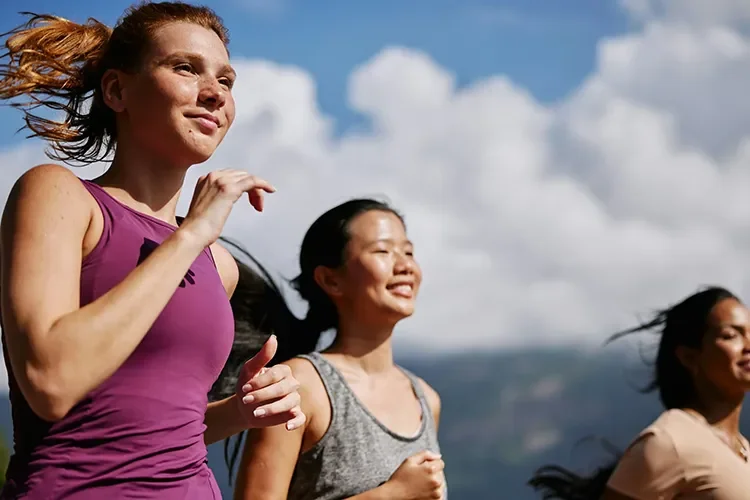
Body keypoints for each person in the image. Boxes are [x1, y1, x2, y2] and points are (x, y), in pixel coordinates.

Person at [0, 3, 304, 498]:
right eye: (185, 68)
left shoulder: (216, 265)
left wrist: (237, 412)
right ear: (117, 90)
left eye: (226, 81)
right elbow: (51, 380)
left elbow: (151, 431)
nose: (214, 94)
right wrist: (189, 235)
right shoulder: (58, 195)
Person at [209, 199, 447, 500]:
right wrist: (391, 494)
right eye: (383, 251)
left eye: (409, 251)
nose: (405, 266)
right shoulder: (298, 384)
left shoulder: (426, 398)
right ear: (331, 280)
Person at [528, 286, 750, 499]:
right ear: (689, 357)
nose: (748, 345)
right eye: (731, 335)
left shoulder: (743, 449)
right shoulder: (669, 442)